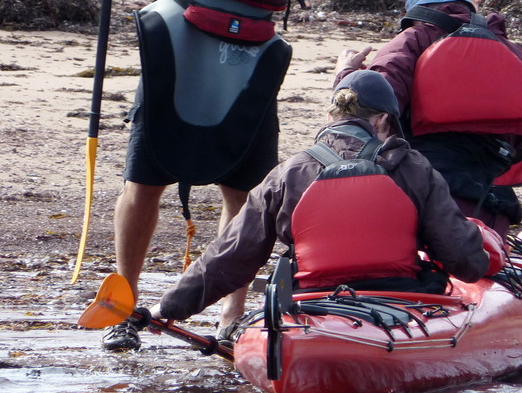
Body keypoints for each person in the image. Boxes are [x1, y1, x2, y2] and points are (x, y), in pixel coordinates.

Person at [97, 0, 446, 351]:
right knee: (144, 178)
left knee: (245, 190)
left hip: (250, 62)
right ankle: (124, 302)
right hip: (178, 49)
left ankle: (231, 316)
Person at [156, 70, 498, 333]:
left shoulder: (287, 174)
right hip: (401, 303)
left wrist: (165, 309)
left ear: (332, 118)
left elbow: (229, 257)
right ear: (382, 121)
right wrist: (484, 260)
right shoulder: (413, 168)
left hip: (312, 308)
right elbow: (463, 261)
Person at [335, 0, 522, 239]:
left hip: (424, 182)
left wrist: (346, 74)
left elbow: (363, 109)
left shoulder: (411, 40)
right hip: (493, 192)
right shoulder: (511, 49)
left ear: (416, 10)